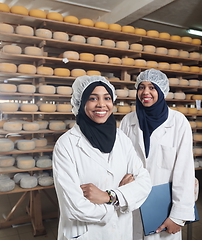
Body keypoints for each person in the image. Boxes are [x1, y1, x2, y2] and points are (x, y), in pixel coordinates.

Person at [52, 75, 152, 240]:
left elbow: (144, 182)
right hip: (87, 233)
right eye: (92, 98)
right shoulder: (66, 145)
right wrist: (121, 200)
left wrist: (109, 196)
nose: (101, 104)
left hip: (121, 232)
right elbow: (75, 206)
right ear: (81, 102)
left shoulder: (122, 139)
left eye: (107, 98)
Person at [120, 69, 196, 240]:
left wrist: (178, 216)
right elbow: (120, 160)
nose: (145, 92)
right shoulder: (128, 121)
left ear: (162, 91)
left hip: (164, 207)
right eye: (141, 87)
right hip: (133, 203)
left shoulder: (178, 122)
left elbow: (184, 171)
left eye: (152, 87)